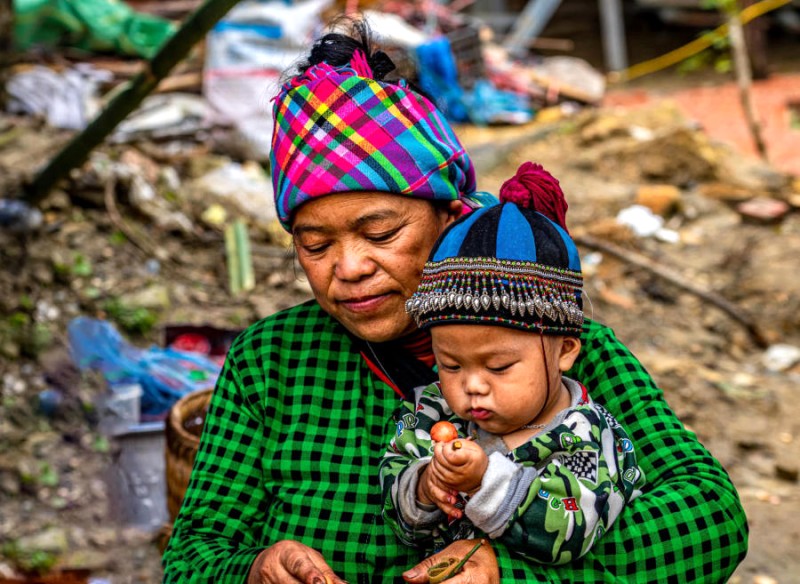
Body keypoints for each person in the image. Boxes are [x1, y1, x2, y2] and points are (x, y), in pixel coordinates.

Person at [162, 18, 748, 584]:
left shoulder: (553, 346)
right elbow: (190, 557)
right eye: (315, 245)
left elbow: (711, 523)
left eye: (381, 234)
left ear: (448, 216)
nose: (349, 269)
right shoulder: (269, 361)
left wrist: (515, 574)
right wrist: (251, 570)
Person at [380, 165, 646, 566]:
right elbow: (397, 506)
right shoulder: (430, 412)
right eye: (450, 365)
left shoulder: (585, 435)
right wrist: (425, 486)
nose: (472, 386)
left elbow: (573, 532)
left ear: (565, 351)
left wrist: (484, 481)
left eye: (499, 367)